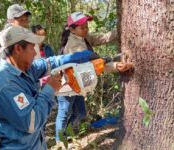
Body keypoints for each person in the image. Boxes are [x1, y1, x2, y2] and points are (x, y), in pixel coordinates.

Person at [0, 26, 100, 149]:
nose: (35, 53)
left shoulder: (26, 68)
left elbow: (50, 63)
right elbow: (31, 122)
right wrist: (50, 89)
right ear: (18, 48)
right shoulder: (5, 83)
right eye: (31, 48)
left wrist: (84, 56)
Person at [55, 11, 133, 145]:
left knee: (80, 113)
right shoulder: (74, 44)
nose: (86, 29)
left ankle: (67, 134)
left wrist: (120, 30)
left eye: (86, 26)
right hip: (67, 84)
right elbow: (91, 65)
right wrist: (115, 65)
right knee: (64, 112)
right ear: (72, 29)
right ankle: (59, 142)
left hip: (77, 84)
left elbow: (101, 38)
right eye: (82, 27)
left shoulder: (83, 37)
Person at [0, 4, 32, 72]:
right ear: (10, 21)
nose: (25, 23)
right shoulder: (3, 36)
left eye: (26, 20)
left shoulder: (25, 35)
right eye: (21, 20)